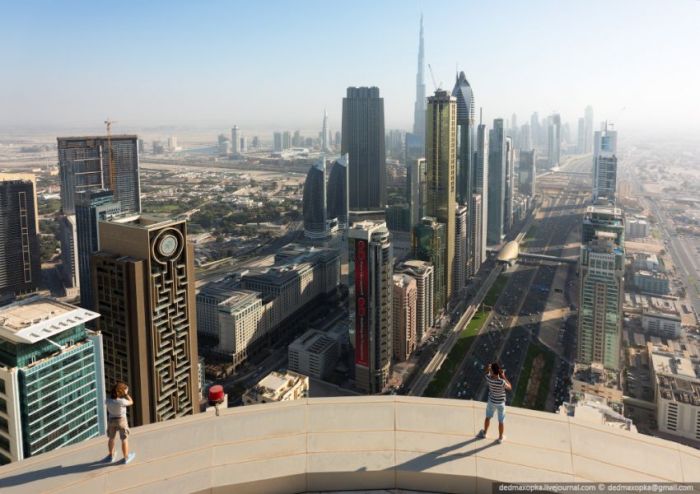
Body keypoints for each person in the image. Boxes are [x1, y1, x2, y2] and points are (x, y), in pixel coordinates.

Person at [476, 362, 512, 443]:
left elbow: (486, 371)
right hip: (500, 403)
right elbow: (510, 387)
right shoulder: (501, 382)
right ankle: (500, 438)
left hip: (491, 401)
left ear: (492, 371)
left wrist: (489, 368)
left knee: (488, 417)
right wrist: (504, 376)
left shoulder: (488, 378)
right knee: (501, 421)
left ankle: (484, 433)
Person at [104, 382, 136, 464]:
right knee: (124, 439)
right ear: (121, 392)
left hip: (111, 420)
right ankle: (126, 457)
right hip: (121, 420)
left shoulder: (107, 401)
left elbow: (109, 405)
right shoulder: (122, 401)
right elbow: (131, 402)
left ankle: (111, 455)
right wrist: (126, 394)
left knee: (111, 438)